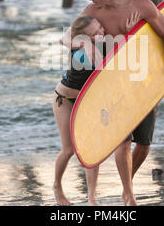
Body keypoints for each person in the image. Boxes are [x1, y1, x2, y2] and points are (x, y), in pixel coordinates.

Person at [62, 0, 164, 206]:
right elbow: (70, 38)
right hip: (110, 84)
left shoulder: (141, 6)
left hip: (140, 81)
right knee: (123, 141)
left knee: (144, 144)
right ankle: (128, 194)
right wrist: (84, 48)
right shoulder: (92, 12)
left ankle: (127, 183)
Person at [53, 14, 140, 206]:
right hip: (65, 100)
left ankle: (91, 199)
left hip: (89, 101)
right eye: (95, 32)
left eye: (100, 27)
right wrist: (127, 36)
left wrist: (128, 32)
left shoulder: (94, 45)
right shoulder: (84, 53)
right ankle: (57, 187)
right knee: (68, 150)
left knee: (93, 148)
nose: (102, 31)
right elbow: (110, 68)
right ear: (85, 37)